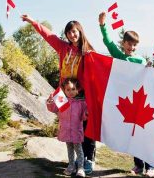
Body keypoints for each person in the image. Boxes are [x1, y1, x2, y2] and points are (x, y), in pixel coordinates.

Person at [21, 15, 97, 174]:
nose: (72, 35)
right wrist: (33, 21)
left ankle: (88, 160)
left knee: (85, 127)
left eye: (74, 31)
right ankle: (74, 161)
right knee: (67, 124)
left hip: (81, 95)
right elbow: (48, 35)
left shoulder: (88, 52)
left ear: (80, 32)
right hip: (63, 93)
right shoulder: (63, 47)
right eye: (69, 32)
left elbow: (100, 69)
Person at [98, 12, 154, 177]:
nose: (131, 48)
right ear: (123, 44)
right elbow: (108, 42)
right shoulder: (119, 56)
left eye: (134, 45)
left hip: (142, 101)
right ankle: (138, 165)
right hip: (127, 101)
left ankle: (150, 166)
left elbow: (150, 78)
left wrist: (149, 68)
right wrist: (103, 25)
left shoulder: (140, 61)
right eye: (129, 44)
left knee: (145, 134)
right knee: (133, 135)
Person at [46, 78, 87, 177]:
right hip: (65, 130)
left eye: (73, 89)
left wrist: (86, 113)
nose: (71, 92)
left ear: (77, 90)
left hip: (76, 131)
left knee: (79, 149)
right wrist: (50, 102)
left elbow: (84, 117)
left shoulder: (81, 103)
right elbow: (53, 109)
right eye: (68, 90)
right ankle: (71, 166)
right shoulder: (62, 101)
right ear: (64, 90)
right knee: (69, 148)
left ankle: (81, 168)